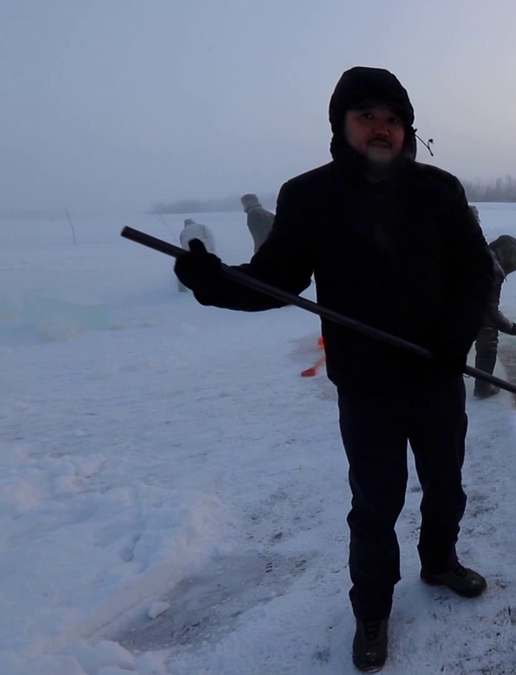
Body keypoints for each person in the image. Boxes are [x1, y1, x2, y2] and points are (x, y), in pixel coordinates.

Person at [172, 66, 496, 673]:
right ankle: (372, 609)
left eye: (393, 119)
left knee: (446, 483)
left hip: (435, 373)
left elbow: (478, 271)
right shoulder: (310, 196)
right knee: (376, 503)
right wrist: (216, 284)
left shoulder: (440, 190)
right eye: (367, 116)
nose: (382, 128)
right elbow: (276, 281)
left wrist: (456, 336)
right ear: (340, 125)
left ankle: (439, 560)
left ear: (408, 130)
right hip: (368, 383)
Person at [472, 233, 516, 399]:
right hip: (463, 306)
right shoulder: (493, 269)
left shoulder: (484, 256)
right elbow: (490, 310)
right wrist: (510, 327)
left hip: (458, 303)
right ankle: (482, 387)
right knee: (488, 334)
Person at [177, 219, 216, 292]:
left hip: (187, 248)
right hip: (203, 245)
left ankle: (182, 287)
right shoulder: (201, 226)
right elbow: (209, 236)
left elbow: (181, 241)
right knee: (208, 264)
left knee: (186, 266)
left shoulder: (183, 231)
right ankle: (210, 284)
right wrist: (212, 249)